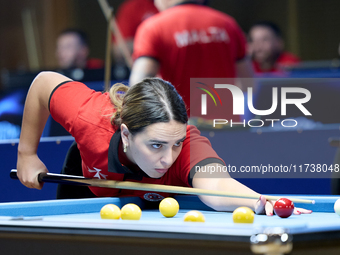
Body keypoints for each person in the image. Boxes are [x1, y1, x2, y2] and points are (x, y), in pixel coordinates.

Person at [16, 71, 311, 216]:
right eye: (156, 145)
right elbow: (43, 83)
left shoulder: (190, 146)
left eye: (176, 144)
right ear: (128, 134)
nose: (168, 158)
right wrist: (27, 153)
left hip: (153, 203)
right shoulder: (90, 117)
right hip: (89, 182)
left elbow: (218, 187)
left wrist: (258, 201)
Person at [129, 0, 254, 119]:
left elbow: (138, 85)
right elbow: (249, 84)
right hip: (227, 128)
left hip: (182, 131)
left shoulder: (153, 27)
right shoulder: (228, 24)